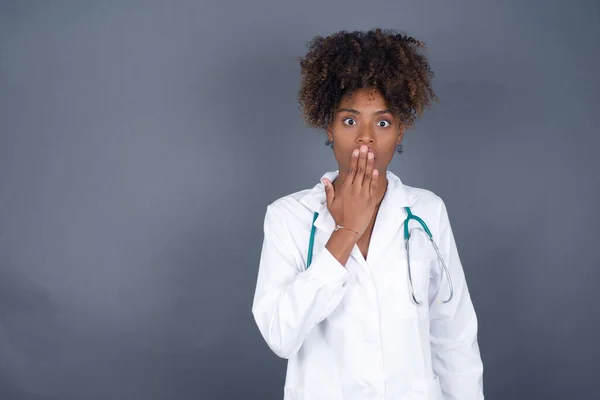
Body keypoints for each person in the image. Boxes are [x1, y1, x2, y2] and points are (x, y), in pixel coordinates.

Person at [251, 28, 484, 400]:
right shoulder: (288, 217)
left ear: (400, 132)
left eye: (382, 122)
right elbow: (281, 335)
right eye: (349, 121)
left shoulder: (427, 212)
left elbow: (454, 337)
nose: (365, 138)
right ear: (328, 126)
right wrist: (347, 229)